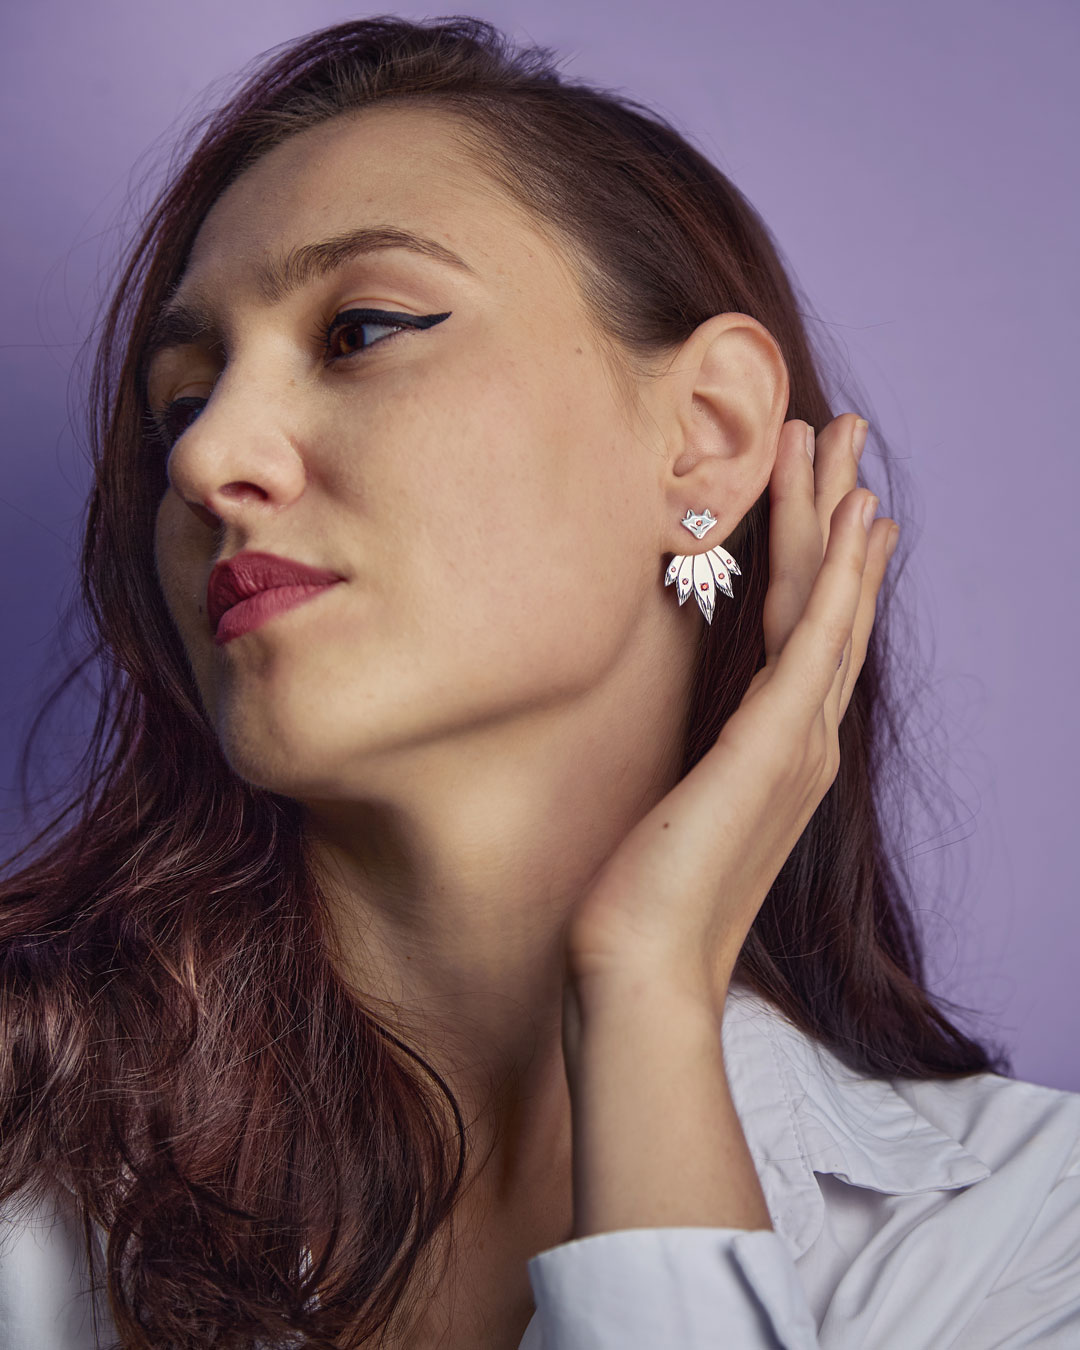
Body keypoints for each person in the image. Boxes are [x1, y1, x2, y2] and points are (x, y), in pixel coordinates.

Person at [1, 14, 1077, 1350]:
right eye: (178, 398)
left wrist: (646, 988)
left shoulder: (1028, 1230)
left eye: (360, 329)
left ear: (707, 437)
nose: (208, 455)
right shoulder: (26, 1162)